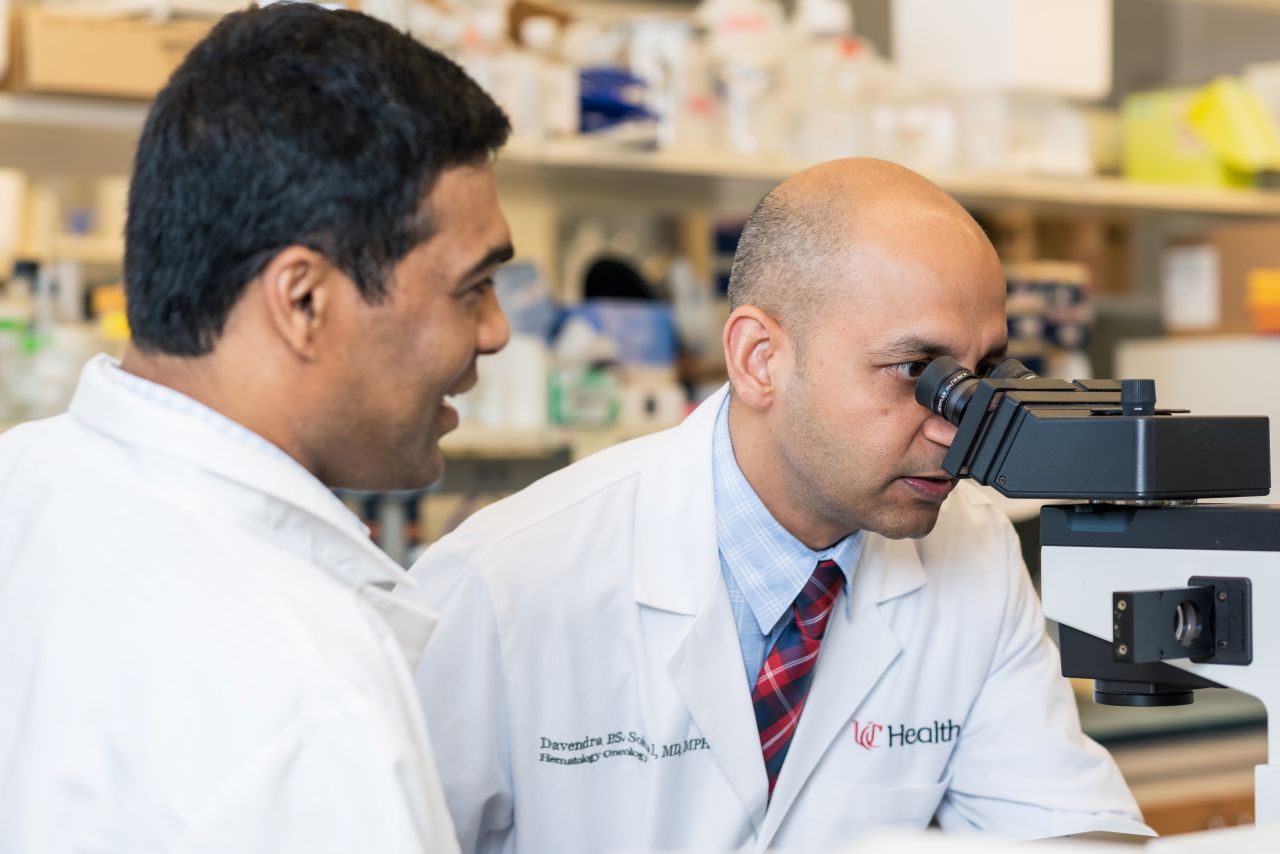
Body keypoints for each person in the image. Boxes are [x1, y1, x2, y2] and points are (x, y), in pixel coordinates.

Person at [400, 159, 1152, 853]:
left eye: (980, 376)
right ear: (761, 359)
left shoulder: (976, 552)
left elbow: (1071, 830)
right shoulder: (502, 581)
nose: (958, 427)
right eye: (918, 373)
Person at [0, 5, 512, 852]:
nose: (495, 332)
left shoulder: (22, 479)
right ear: (303, 301)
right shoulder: (304, 686)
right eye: (472, 288)